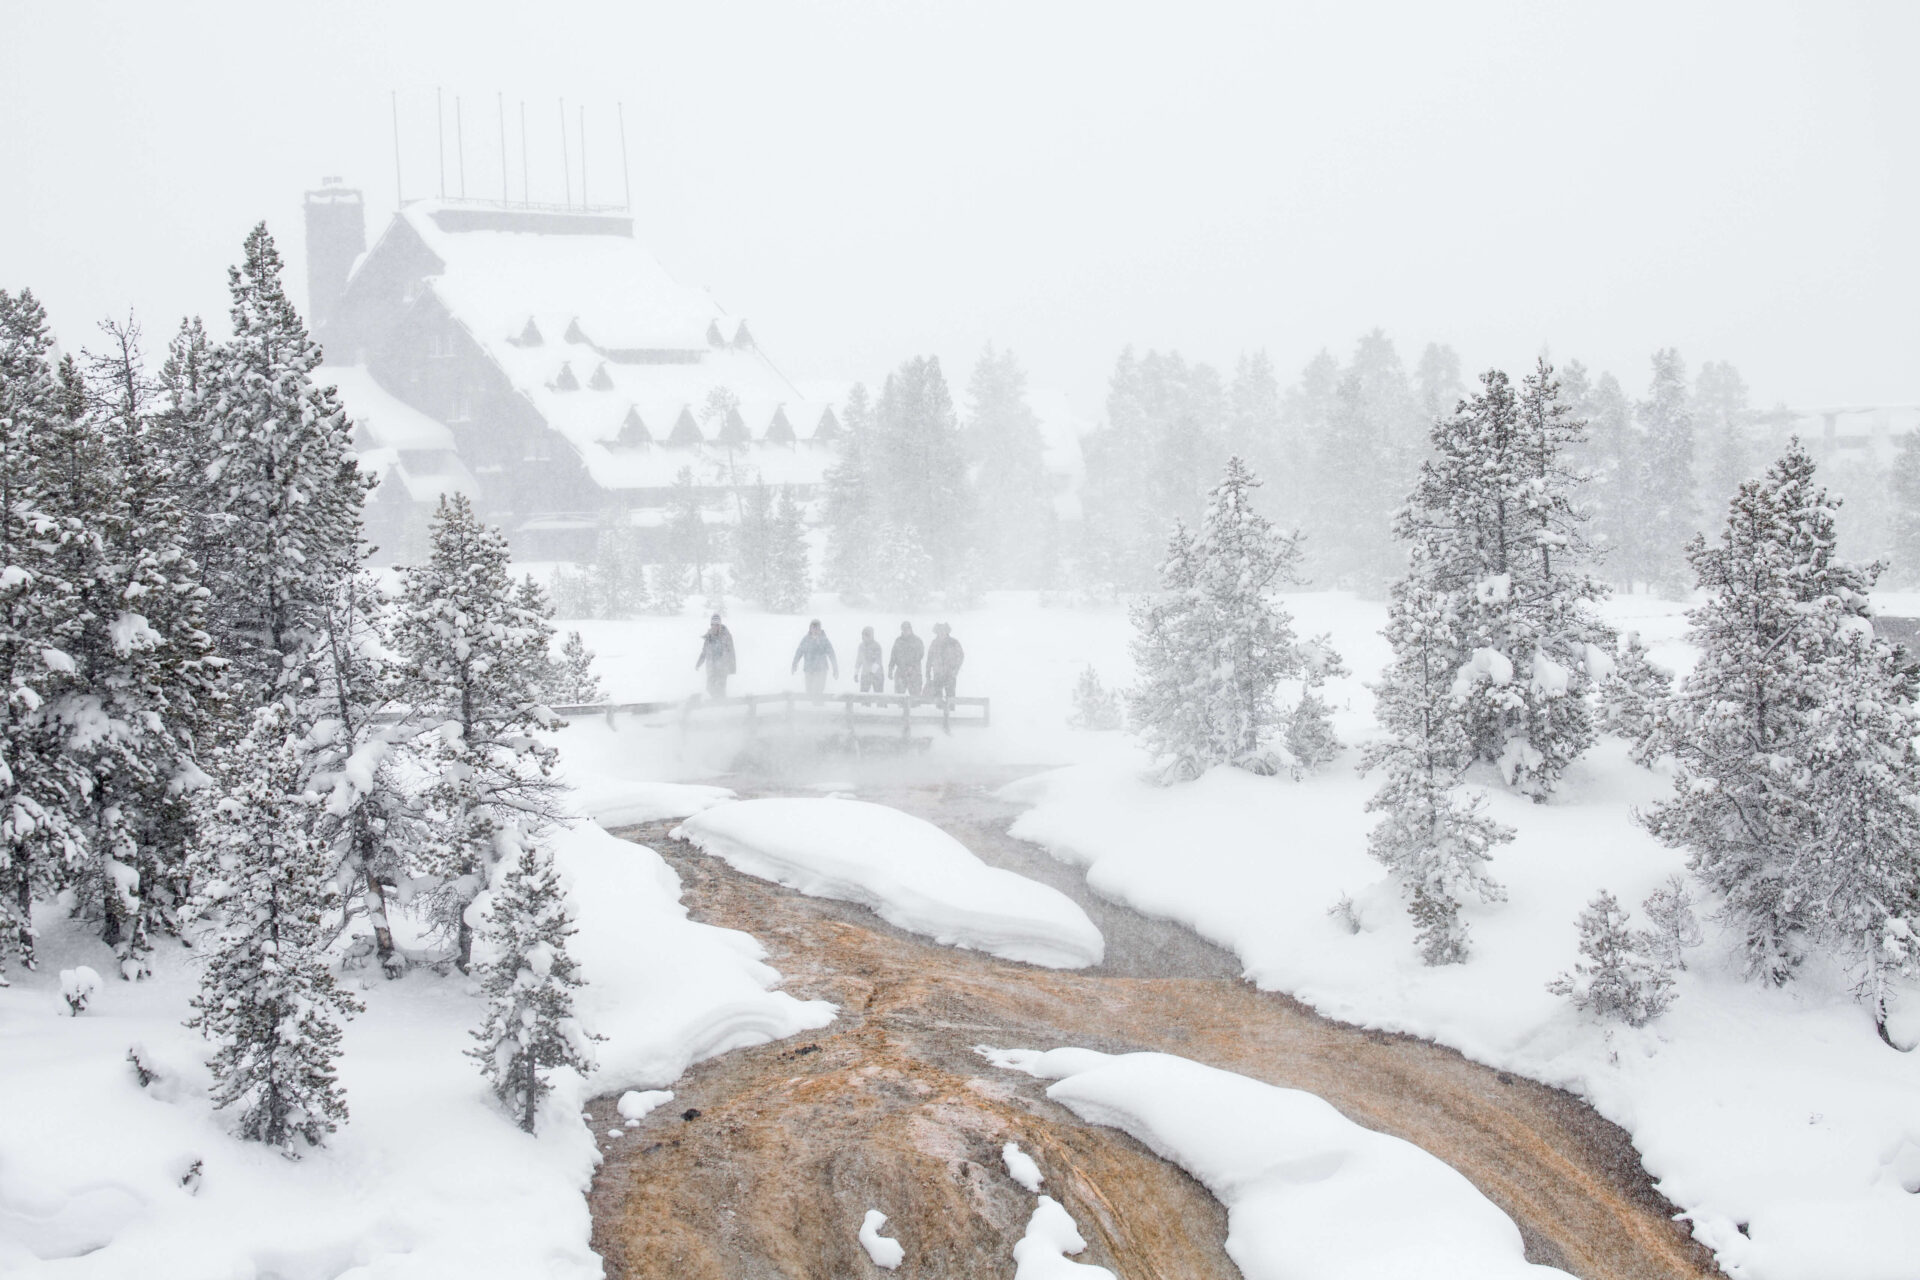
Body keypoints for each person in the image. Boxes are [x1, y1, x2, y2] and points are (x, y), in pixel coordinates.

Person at [791, 619, 838, 697]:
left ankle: (819, 706)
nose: (816, 630)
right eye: (814, 628)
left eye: (817, 628)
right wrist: (794, 664)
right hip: (809, 669)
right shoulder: (806, 640)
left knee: (818, 690)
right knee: (809, 691)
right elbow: (799, 652)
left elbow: (831, 654)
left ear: (820, 629)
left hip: (821, 670)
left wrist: (835, 668)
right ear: (810, 629)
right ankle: (810, 707)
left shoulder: (824, 640)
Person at [694, 614, 736, 699]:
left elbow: (731, 652)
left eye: (716, 624)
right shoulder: (709, 637)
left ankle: (722, 705)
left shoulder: (726, 636)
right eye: (712, 624)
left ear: (719, 625)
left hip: (722, 667)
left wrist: (732, 667)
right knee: (709, 688)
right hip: (711, 667)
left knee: (720, 688)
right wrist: (698, 663)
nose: (714, 627)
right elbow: (704, 652)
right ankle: (717, 703)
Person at [925, 622, 965, 703]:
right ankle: (938, 714)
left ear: (947, 632)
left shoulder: (954, 642)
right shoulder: (934, 643)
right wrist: (928, 673)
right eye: (939, 631)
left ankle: (951, 713)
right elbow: (929, 659)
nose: (941, 633)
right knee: (938, 698)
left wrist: (955, 670)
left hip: (950, 674)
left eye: (943, 631)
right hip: (937, 674)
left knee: (950, 698)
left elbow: (960, 656)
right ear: (937, 632)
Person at [888, 621, 925, 696]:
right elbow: (893, 656)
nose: (905, 631)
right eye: (903, 629)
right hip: (901, 672)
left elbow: (920, 655)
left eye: (907, 629)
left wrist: (911, 666)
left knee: (915, 698)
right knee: (899, 697)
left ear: (910, 629)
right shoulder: (898, 641)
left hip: (914, 673)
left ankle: (916, 706)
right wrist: (890, 668)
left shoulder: (917, 641)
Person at [854, 626, 886, 694]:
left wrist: (871, 673)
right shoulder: (861, 646)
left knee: (879, 698)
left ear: (870, 636)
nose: (864, 638)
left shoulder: (877, 646)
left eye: (866, 635)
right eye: (863, 636)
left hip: (877, 675)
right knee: (864, 697)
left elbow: (878, 661)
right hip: (865, 675)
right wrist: (856, 673)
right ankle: (864, 705)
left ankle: (881, 704)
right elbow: (858, 660)